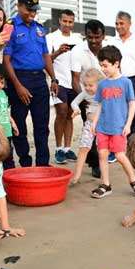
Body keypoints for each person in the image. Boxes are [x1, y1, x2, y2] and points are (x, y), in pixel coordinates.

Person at [3, 0, 59, 167]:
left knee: (42, 125)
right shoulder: (10, 27)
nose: (33, 14)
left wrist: (54, 78)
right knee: (19, 125)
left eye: (35, 10)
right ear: (18, 6)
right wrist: (18, 86)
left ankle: (42, 163)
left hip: (39, 80)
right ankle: (25, 162)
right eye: (29, 10)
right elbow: (6, 60)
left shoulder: (39, 29)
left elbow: (45, 55)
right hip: (19, 79)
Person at [90, 46, 135, 199]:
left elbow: (132, 104)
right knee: (102, 154)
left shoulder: (126, 82)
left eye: (105, 65)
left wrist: (128, 124)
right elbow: (99, 105)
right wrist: (94, 123)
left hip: (118, 127)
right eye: (101, 65)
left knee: (120, 156)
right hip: (103, 127)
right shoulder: (102, 84)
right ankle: (105, 184)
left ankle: (134, 181)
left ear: (116, 64)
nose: (103, 69)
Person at [70, 19, 107, 178]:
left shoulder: (108, 51)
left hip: (106, 99)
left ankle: (105, 158)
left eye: (97, 37)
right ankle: (94, 164)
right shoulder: (77, 51)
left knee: (104, 133)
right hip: (88, 98)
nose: (93, 41)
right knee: (89, 131)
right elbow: (75, 78)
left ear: (103, 36)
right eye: (90, 37)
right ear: (85, 35)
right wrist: (85, 99)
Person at [46, 9, 82, 164]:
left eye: (70, 21)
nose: (67, 24)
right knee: (61, 112)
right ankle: (58, 149)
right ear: (59, 21)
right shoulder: (51, 38)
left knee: (69, 114)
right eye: (65, 21)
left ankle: (67, 148)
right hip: (58, 81)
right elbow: (46, 60)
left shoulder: (78, 39)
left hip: (75, 82)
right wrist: (58, 52)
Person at [111, 11, 135, 134]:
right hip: (115, 81)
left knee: (134, 114)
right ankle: (118, 146)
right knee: (117, 113)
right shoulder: (111, 41)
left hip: (133, 81)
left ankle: (133, 147)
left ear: (129, 24)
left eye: (121, 23)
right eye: (116, 23)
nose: (118, 26)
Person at [70, 68, 105, 184]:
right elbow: (74, 102)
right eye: (85, 85)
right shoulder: (85, 93)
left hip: (103, 125)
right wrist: (76, 110)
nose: (87, 88)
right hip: (89, 125)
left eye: (91, 85)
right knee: (83, 148)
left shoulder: (104, 93)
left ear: (99, 84)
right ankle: (77, 175)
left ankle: (105, 178)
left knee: (102, 151)